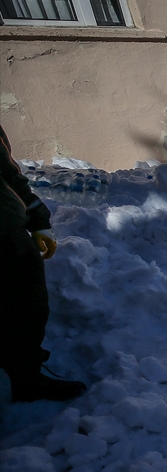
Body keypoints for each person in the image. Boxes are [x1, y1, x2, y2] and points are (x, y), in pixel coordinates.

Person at [0, 125, 87, 403]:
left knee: (27, 308)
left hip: (8, 230)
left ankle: (25, 379)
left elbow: (7, 171)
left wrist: (36, 215)